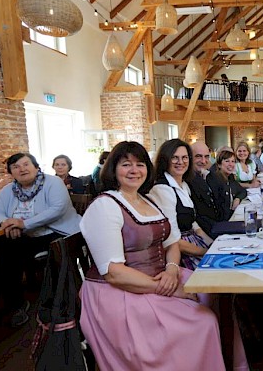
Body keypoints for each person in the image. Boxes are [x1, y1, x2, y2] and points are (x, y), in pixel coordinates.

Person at [78, 141, 225, 370]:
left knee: (215, 294)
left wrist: (172, 269)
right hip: (121, 291)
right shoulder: (105, 206)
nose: (134, 170)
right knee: (203, 321)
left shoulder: (147, 200)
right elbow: (113, 273)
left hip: (158, 275)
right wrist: (166, 287)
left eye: (140, 164)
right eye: (126, 164)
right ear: (113, 170)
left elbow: (172, 243)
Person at [0, 153, 81, 326]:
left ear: (36, 167)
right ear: (11, 173)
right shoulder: (9, 190)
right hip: (27, 235)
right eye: (16, 167)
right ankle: (16, 304)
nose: (22, 169)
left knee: (50, 253)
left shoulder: (53, 182)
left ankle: (60, 305)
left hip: (59, 232)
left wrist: (23, 224)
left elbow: (57, 209)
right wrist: (6, 222)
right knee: (4, 259)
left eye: (25, 164)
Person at [148, 139, 214, 271]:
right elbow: (172, 239)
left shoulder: (183, 185)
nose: (181, 162)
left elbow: (193, 224)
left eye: (184, 158)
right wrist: (204, 252)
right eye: (174, 158)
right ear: (165, 160)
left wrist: (212, 244)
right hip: (180, 252)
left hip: (194, 243)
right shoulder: (162, 189)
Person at [186, 141, 221, 238]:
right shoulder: (186, 181)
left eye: (206, 157)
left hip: (215, 227)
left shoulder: (206, 176)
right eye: (198, 156)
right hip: (203, 234)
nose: (203, 161)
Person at [207, 150, 247, 221]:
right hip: (222, 223)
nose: (231, 164)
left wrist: (237, 198)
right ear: (219, 164)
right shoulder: (214, 180)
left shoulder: (230, 177)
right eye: (227, 161)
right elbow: (221, 210)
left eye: (233, 161)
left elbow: (242, 191)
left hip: (231, 217)